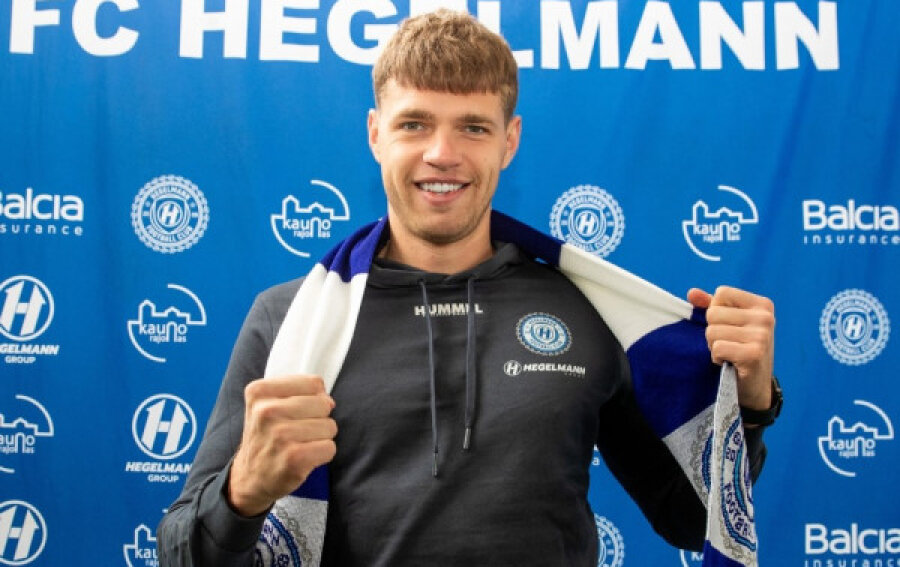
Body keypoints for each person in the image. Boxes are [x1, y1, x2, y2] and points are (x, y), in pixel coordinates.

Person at [157, 9, 779, 567]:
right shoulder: (290, 318)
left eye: (473, 128)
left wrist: (748, 408)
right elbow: (181, 552)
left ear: (509, 141)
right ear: (376, 134)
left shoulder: (588, 308)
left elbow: (691, 520)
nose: (442, 153)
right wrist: (243, 491)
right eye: (414, 124)